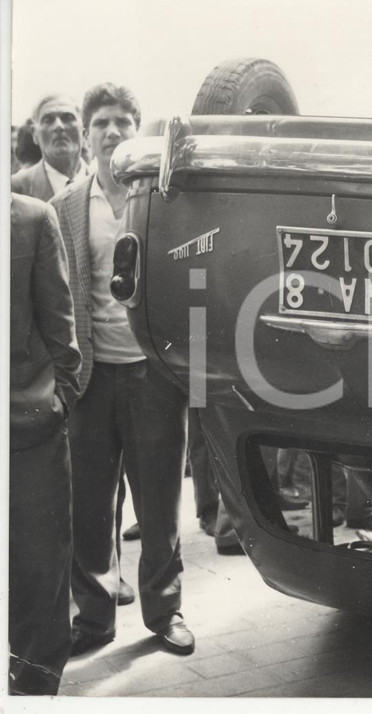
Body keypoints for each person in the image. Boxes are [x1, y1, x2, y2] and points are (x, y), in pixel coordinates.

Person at [51, 83, 195, 656]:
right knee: (88, 508)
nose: (112, 132)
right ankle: (93, 618)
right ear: (87, 136)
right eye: (101, 123)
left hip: (152, 376)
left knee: (159, 504)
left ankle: (165, 613)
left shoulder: (163, 200)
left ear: (139, 131)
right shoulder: (65, 207)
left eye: (122, 123)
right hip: (89, 379)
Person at [9, 194, 82, 695]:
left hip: (26, 424)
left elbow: (59, 321)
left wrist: (59, 396)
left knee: (39, 566)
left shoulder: (31, 218)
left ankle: (35, 689)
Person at [11, 94, 88, 201]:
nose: (59, 126)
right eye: (48, 120)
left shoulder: (104, 184)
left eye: (68, 118)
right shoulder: (14, 190)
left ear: (84, 131)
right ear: (35, 135)